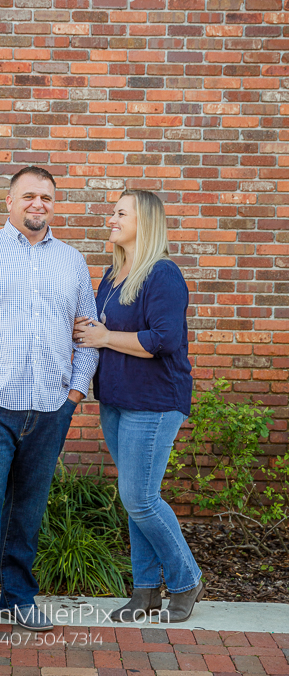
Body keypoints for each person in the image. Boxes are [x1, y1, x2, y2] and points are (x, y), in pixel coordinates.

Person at [0, 166, 99, 646]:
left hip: (51, 406)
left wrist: (75, 392)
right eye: (28, 195)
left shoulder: (72, 262)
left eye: (47, 197)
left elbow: (88, 331)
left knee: (27, 510)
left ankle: (19, 598)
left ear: (54, 204)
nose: (38, 204)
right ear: (9, 201)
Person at [74, 189, 204, 624]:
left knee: (141, 497)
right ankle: (145, 592)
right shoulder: (113, 276)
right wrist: (90, 329)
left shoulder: (162, 274)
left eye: (120, 213)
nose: (111, 219)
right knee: (135, 499)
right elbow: (105, 329)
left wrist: (105, 336)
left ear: (143, 222)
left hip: (154, 402)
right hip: (116, 399)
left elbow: (163, 340)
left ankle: (186, 581)